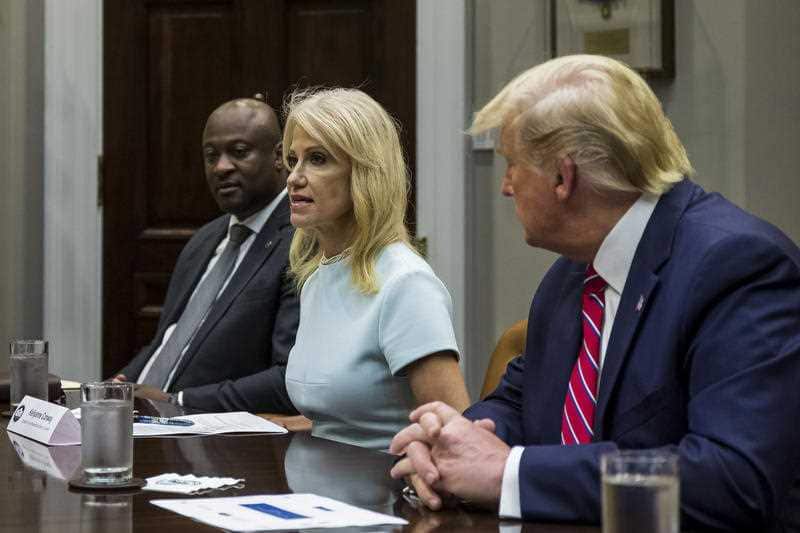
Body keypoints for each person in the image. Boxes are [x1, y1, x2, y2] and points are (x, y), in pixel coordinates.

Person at [390, 55, 800, 530]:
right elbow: (519, 402)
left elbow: (734, 478)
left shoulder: (738, 266)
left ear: (564, 179)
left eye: (512, 164)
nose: (505, 187)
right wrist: (455, 442)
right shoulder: (573, 275)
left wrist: (508, 473)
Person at [282, 88, 470, 450]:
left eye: (318, 159)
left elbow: (454, 431)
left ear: (365, 174)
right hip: (319, 489)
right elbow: (342, 418)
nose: (294, 177)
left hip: (389, 495)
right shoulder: (318, 278)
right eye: (293, 160)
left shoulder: (406, 283)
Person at [114, 96, 300, 414]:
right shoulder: (204, 239)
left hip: (213, 436)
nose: (221, 167)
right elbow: (169, 339)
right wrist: (118, 386)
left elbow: (289, 379)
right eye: (211, 156)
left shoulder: (301, 242)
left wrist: (180, 400)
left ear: (279, 156)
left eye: (239, 152)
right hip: (143, 417)